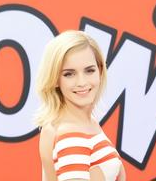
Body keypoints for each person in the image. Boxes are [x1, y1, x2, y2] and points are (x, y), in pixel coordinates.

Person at [35, 30, 126, 181]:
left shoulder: (62, 126)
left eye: (89, 70)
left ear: (100, 71)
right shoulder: (70, 134)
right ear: (55, 79)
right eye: (69, 74)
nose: (82, 82)